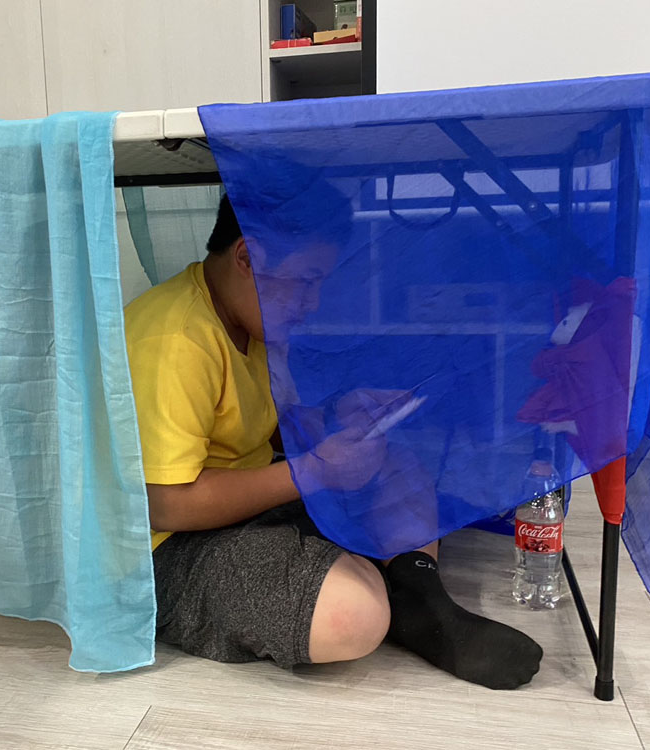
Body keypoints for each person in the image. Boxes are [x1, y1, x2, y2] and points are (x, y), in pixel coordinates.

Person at [123, 192, 543, 689]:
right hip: (171, 545)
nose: (312, 303)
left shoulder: (244, 319)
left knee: (395, 462)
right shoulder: (176, 340)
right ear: (246, 257)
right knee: (352, 615)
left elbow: (259, 423)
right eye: (305, 282)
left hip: (247, 502)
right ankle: (390, 585)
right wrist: (314, 472)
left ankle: (422, 602)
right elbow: (165, 505)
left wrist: (334, 418)